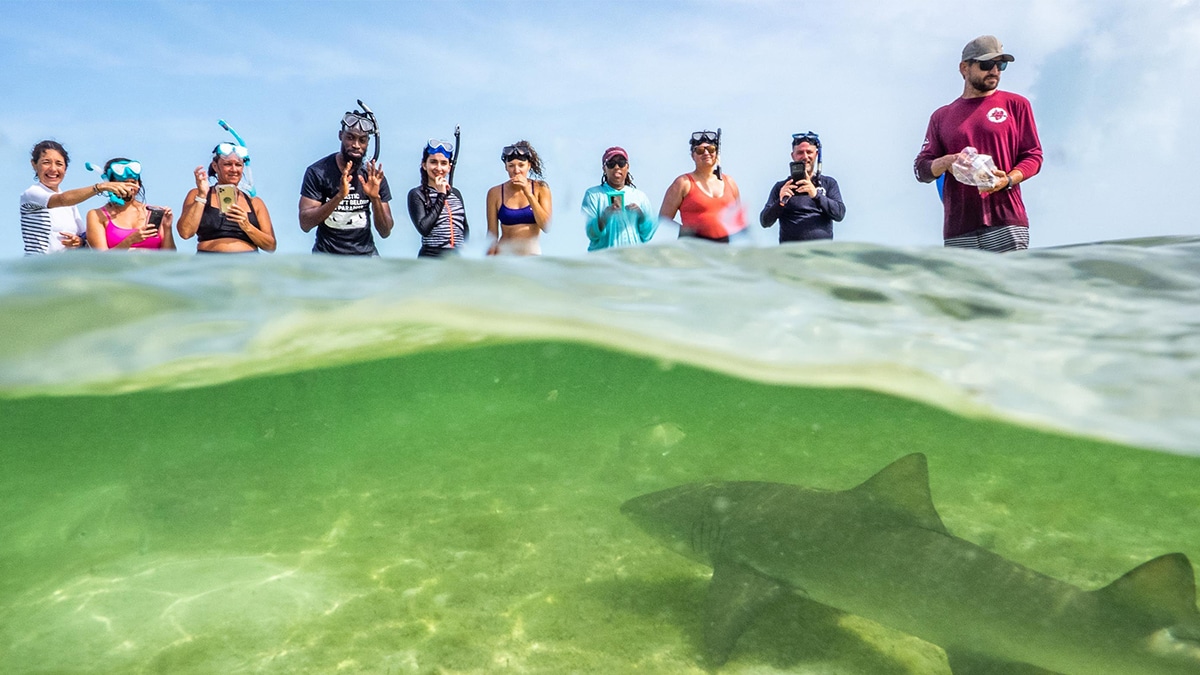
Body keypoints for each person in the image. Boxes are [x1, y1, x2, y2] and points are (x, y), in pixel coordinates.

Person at [914, 35, 1043, 252]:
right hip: (959, 229)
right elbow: (921, 170)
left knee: (1010, 286)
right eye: (986, 64)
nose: (994, 71)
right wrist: (946, 161)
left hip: (1007, 221)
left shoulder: (1016, 105)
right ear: (964, 68)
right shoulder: (941, 116)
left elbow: (1034, 156)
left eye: (1000, 64)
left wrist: (1009, 179)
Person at [299, 110, 394, 255]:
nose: (356, 145)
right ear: (340, 136)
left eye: (362, 140)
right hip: (327, 257)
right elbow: (305, 224)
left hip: (365, 256)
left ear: (368, 142)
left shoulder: (373, 177)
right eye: (350, 138)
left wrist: (375, 198)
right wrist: (339, 196)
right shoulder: (318, 172)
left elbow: (385, 231)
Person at [19, 140, 137, 255]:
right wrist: (101, 187)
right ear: (34, 164)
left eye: (59, 164)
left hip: (63, 270)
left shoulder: (71, 204)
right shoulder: (32, 194)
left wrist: (78, 241)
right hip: (38, 268)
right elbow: (62, 200)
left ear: (65, 168)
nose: (53, 169)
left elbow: (83, 237)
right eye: (46, 162)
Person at [177, 142, 276, 253]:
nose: (234, 169)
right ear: (215, 166)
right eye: (228, 164)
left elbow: (271, 246)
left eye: (238, 165)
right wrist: (202, 196)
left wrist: (247, 226)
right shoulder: (197, 194)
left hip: (246, 266)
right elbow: (185, 233)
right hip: (209, 264)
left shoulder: (255, 203)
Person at [658, 130, 745, 243]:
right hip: (694, 249)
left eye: (711, 149)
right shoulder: (683, 183)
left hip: (724, 251)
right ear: (693, 156)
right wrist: (687, 233)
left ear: (717, 154)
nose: (706, 153)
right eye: (700, 150)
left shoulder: (730, 182)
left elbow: (737, 219)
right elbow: (663, 219)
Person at [759, 132, 846, 242]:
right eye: (800, 153)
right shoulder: (781, 187)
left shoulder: (828, 183)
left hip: (822, 254)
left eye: (809, 152)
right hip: (792, 254)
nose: (805, 157)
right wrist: (780, 203)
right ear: (793, 156)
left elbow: (840, 214)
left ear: (816, 154)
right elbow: (765, 221)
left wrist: (816, 195)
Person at [84, 158, 175, 251]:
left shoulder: (154, 212)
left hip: (153, 265)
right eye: (124, 183)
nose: (129, 187)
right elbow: (100, 259)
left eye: (133, 182)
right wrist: (130, 241)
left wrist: (168, 228)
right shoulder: (97, 215)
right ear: (110, 185)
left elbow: (170, 257)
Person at [580, 147, 655, 251]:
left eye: (621, 163)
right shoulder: (593, 195)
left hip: (633, 260)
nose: (616, 167)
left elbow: (648, 234)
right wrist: (604, 217)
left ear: (627, 167)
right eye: (611, 163)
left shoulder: (640, 196)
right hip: (604, 261)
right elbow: (591, 233)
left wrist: (641, 216)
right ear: (604, 168)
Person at [485, 140, 552, 255]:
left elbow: (546, 226)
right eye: (511, 166)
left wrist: (528, 193)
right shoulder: (494, 193)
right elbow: (492, 237)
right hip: (504, 257)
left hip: (532, 257)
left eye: (521, 165)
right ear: (506, 167)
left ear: (529, 166)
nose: (516, 170)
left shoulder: (541, 188)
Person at [407, 139, 468, 258]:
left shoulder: (455, 193)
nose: (439, 168)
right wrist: (441, 195)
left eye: (443, 163)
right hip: (431, 258)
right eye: (433, 162)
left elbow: (464, 227)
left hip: (456, 260)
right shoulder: (417, 194)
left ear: (449, 167)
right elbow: (424, 228)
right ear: (424, 165)